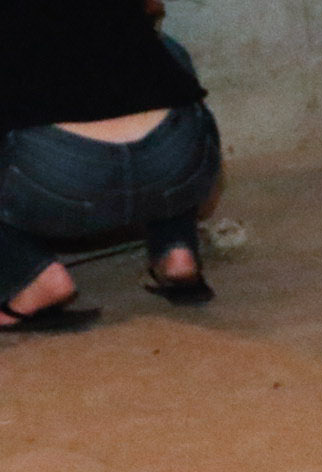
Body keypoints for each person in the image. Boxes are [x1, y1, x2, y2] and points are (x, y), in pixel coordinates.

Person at [0, 0, 225, 335]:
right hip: (178, 161)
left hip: (62, 181)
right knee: (167, 51)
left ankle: (30, 277)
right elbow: (152, 6)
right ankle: (177, 250)